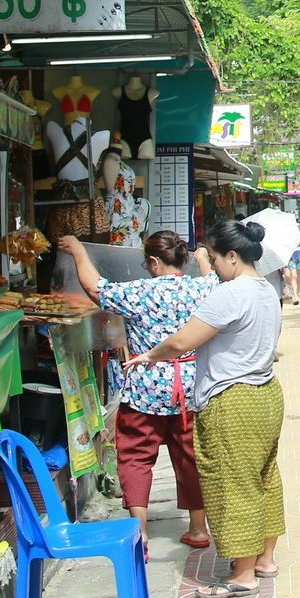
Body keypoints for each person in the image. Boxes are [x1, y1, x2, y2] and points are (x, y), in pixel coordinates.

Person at [134, 217, 285, 598]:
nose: (213, 266)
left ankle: (243, 573)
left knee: (234, 482)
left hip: (232, 399)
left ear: (232, 257)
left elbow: (185, 339)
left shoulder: (232, 293)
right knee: (264, 477)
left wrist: (150, 355)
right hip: (265, 393)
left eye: (215, 259)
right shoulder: (266, 289)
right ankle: (264, 560)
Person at [57, 231, 214, 549]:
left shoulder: (138, 292)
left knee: (134, 459)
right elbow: (214, 280)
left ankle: (138, 531)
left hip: (145, 389)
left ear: (154, 261)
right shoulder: (204, 287)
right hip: (191, 389)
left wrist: (77, 251)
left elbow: (94, 288)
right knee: (190, 458)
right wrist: (204, 260)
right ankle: (198, 529)